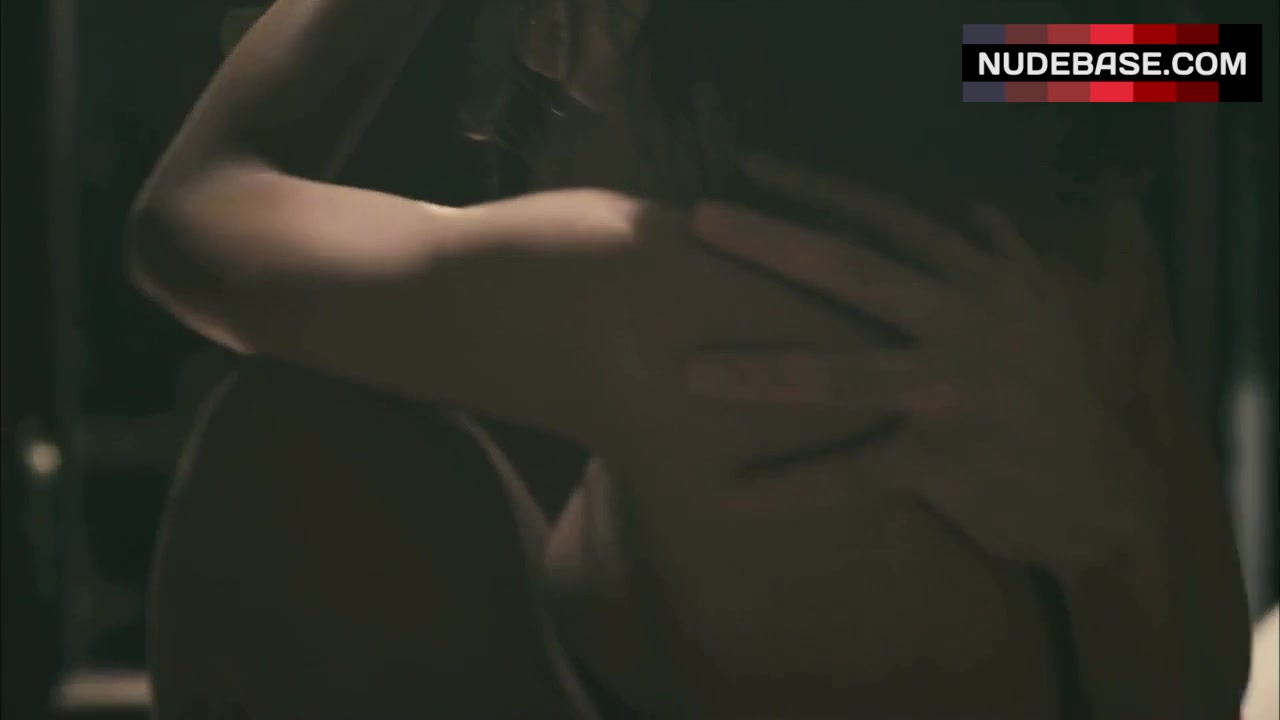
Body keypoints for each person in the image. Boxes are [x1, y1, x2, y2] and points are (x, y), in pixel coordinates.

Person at [129, 0, 1252, 717]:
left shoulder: (629, 295)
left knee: (284, 436)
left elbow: (189, 216)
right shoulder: (1082, 256)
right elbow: (1197, 57)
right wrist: (1122, 518)